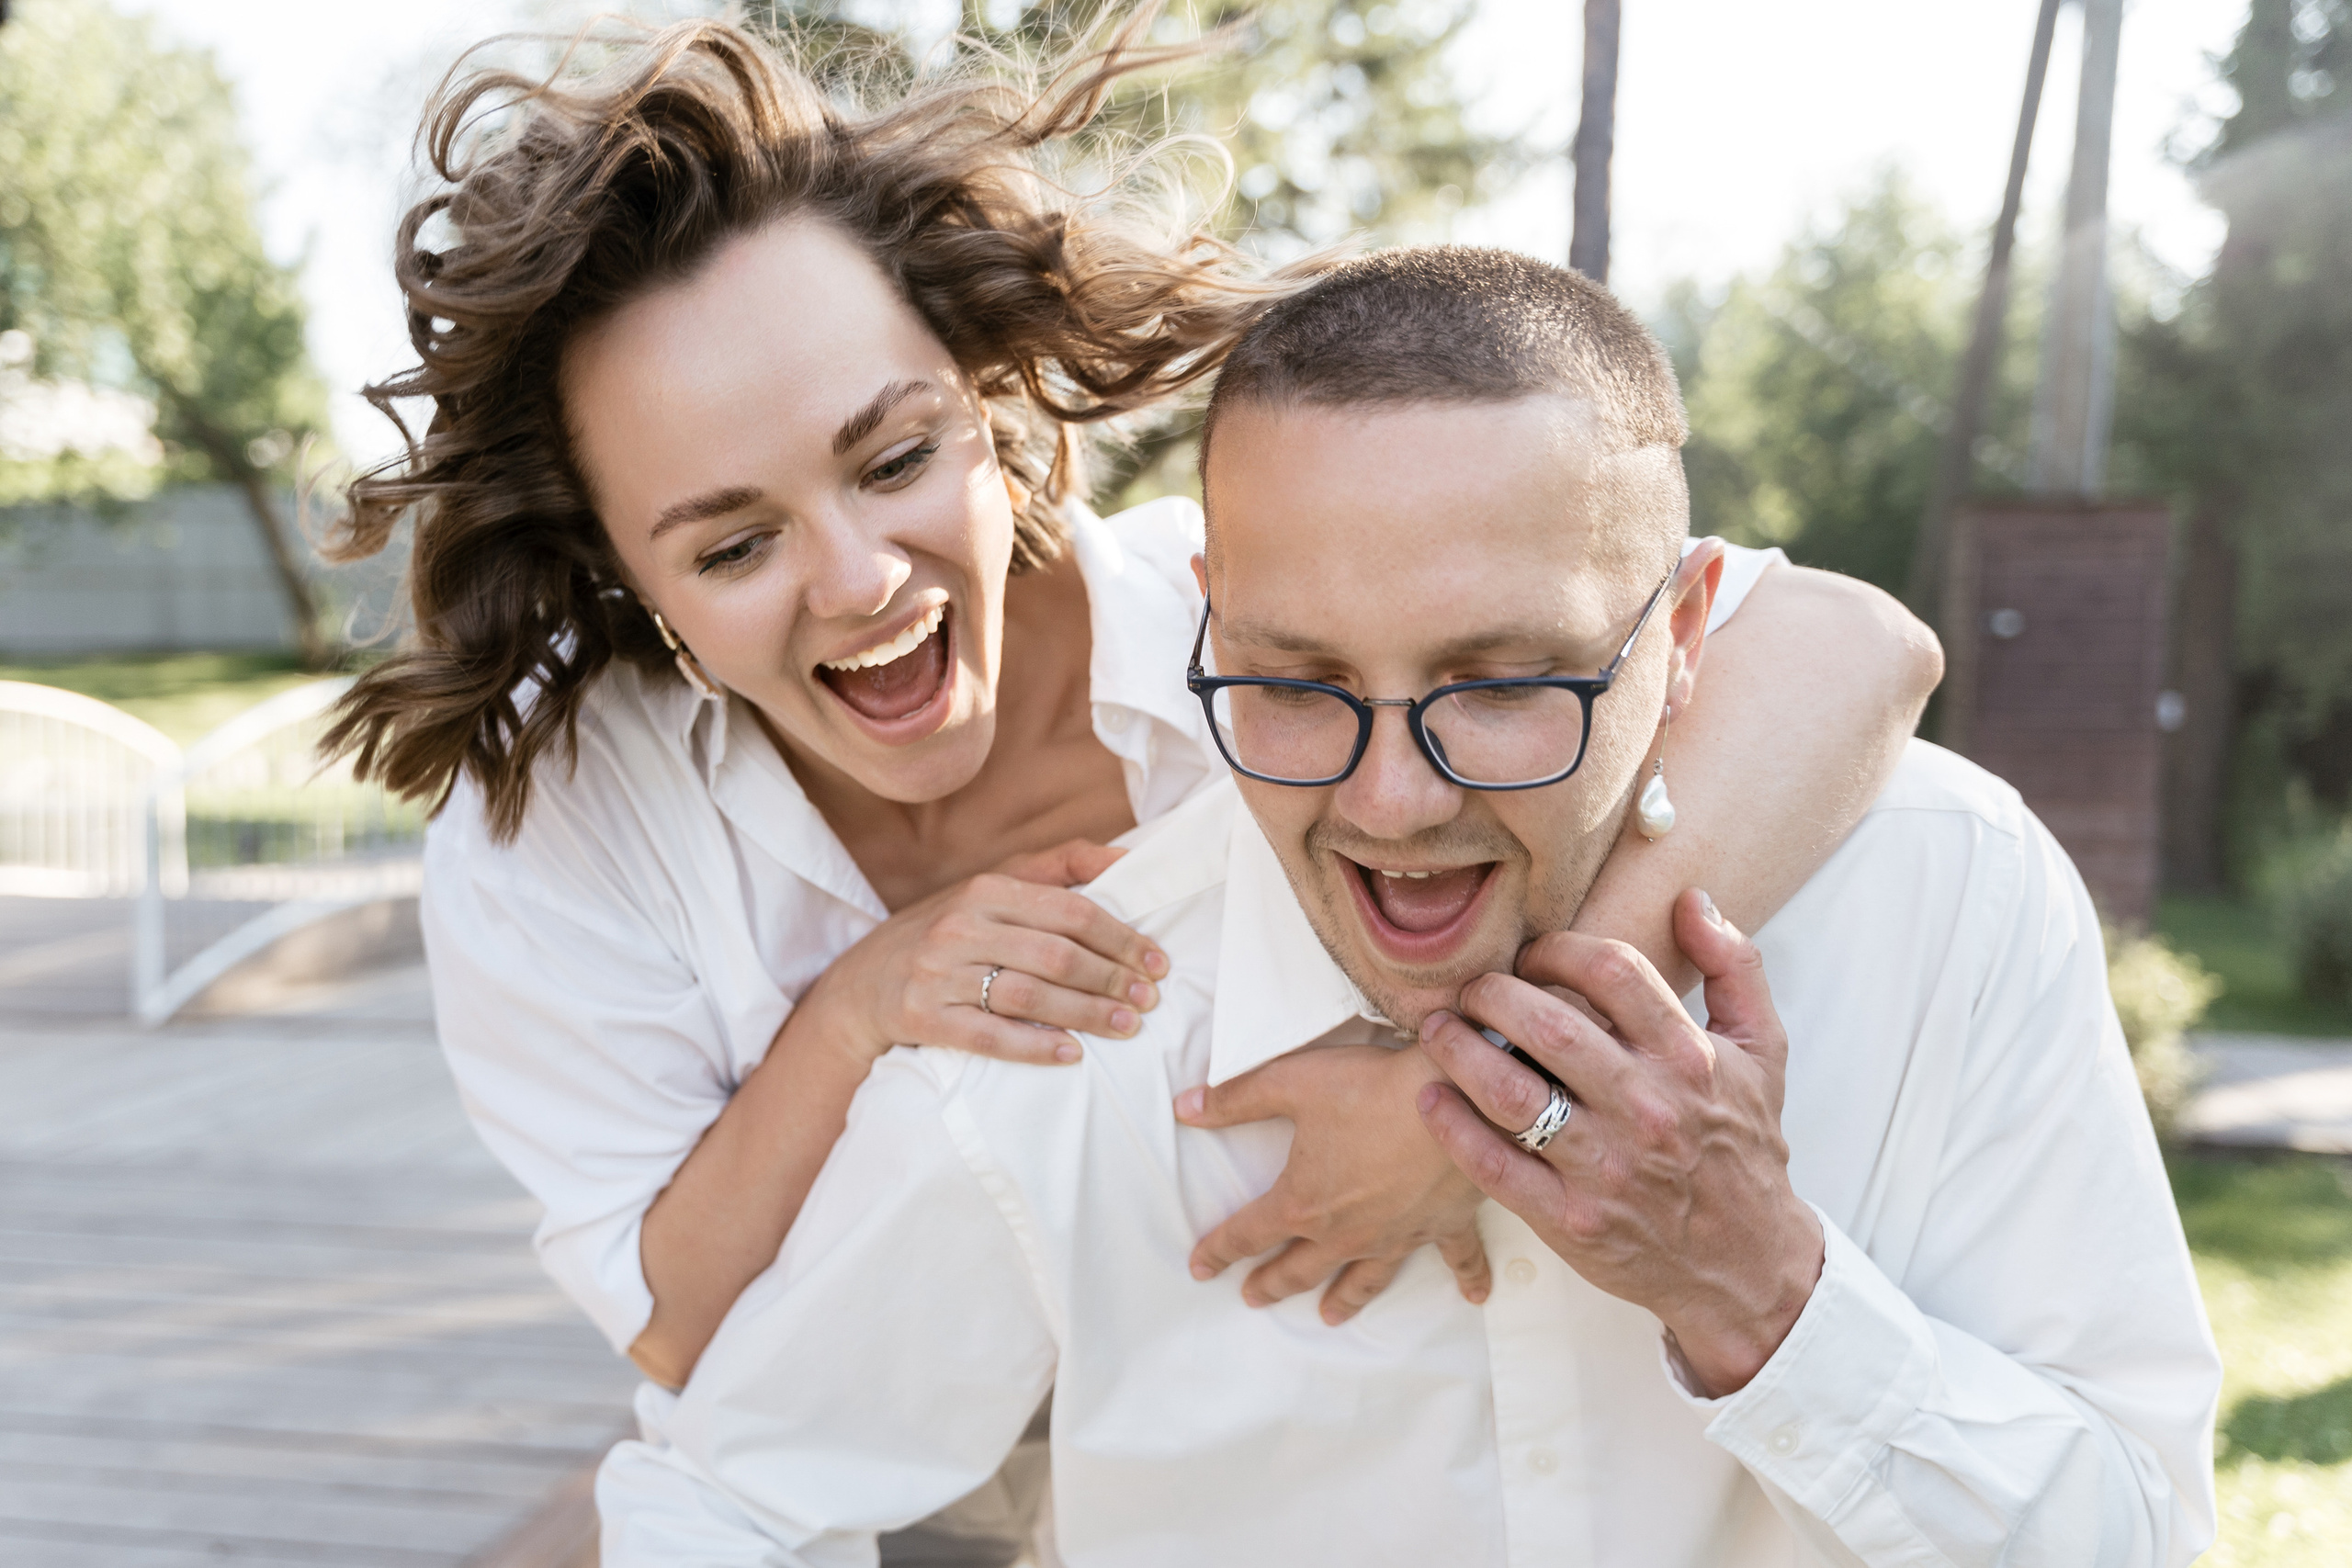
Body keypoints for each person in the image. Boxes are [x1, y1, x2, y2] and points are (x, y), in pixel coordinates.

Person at [322, 14, 1932, 1557]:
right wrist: (858, 1010)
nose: (857, 577)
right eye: (734, 543)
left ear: (989, 409)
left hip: (1258, 1433)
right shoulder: (570, 826)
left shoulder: (1254, 631)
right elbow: (678, 1327)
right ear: (624, 568)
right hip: (858, 1470)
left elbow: (1858, 646)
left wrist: (1489, 1102)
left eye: (892, 460)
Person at [596, 248, 2221, 1568]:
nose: (1391, 805)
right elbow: (717, 1493)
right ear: (1207, 625)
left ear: (1691, 625)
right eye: (1297, 684)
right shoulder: (1079, 1025)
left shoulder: (1949, 899)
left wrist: (1764, 1297)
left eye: (1503, 681)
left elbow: (2138, 1541)